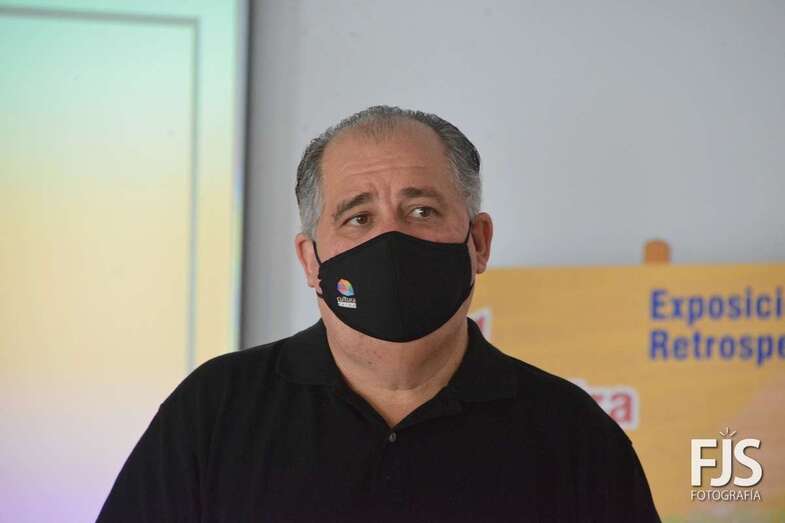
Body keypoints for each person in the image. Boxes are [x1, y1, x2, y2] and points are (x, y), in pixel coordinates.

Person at [97, 105, 660, 522]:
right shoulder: (215, 412)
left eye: (422, 210)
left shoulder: (573, 436)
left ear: (479, 242)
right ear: (310, 260)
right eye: (358, 218)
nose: (391, 241)